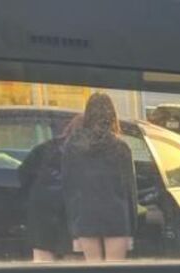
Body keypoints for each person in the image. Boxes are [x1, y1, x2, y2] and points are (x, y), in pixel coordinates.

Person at [62, 92, 137, 261]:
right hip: (116, 215)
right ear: (112, 116)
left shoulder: (73, 147)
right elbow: (129, 190)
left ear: (87, 115)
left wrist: (73, 224)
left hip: (86, 215)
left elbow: (68, 187)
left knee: (94, 268)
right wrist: (132, 225)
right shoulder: (121, 148)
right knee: (115, 270)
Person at [18, 115, 83, 262]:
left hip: (41, 214)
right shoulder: (86, 153)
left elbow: (23, 173)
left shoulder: (45, 147)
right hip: (71, 217)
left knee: (43, 264)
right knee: (74, 264)